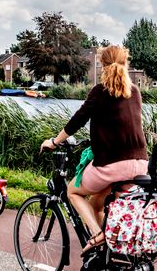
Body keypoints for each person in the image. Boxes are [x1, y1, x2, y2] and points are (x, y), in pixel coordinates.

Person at [40, 45, 147, 255]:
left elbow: (76, 121)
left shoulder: (100, 92)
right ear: (126, 64)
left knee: (72, 191)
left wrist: (54, 141)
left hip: (111, 166)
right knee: (96, 204)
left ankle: (98, 235)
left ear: (102, 65)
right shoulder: (135, 92)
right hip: (141, 164)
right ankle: (109, 254)